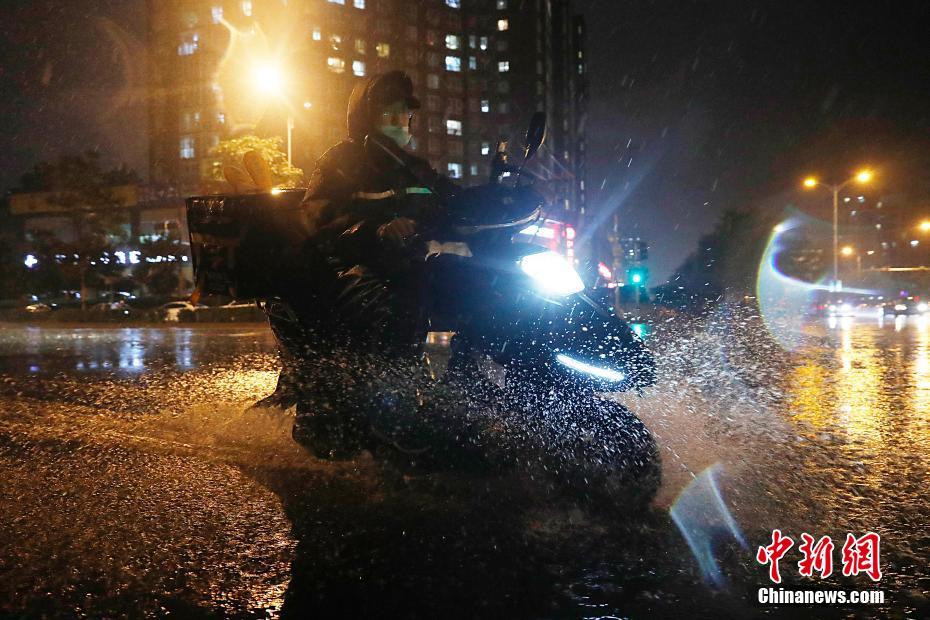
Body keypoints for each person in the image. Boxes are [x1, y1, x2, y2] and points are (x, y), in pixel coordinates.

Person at [267, 71, 461, 458]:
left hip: (409, 265)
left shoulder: (416, 167)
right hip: (352, 267)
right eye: (388, 114)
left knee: (474, 289)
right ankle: (389, 417)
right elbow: (318, 217)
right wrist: (374, 230)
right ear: (367, 118)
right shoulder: (342, 161)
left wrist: (502, 198)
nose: (399, 122)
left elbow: (452, 203)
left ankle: (466, 400)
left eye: (403, 115)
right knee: (389, 312)